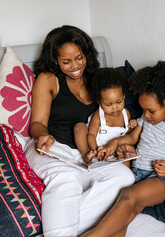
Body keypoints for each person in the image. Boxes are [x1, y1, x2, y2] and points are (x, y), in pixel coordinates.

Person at [24, 25, 135, 237]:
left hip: (85, 153)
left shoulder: (95, 80)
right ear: (55, 60)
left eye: (79, 58)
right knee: (66, 181)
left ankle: (58, 227)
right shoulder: (48, 79)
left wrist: (121, 143)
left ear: (87, 55)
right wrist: (41, 135)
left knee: (124, 177)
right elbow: (37, 122)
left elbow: (111, 116)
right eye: (66, 61)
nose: (75, 66)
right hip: (52, 147)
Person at [82, 61, 165, 237]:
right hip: (138, 172)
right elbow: (133, 137)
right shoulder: (147, 117)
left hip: (160, 179)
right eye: (144, 110)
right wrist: (116, 143)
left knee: (128, 194)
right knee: (127, 215)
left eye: (151, 110)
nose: (146, 115)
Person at [73, 68, 137, 163]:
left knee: (126, 151)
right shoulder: (98, 115)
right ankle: (86, 155)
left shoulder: (125, 113)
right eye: (108, 104)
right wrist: (96, 149)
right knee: (79, 127)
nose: (115, 107)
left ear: (124, 97)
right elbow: (91, 135)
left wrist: (132, 125)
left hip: (113, 150)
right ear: (99, 102)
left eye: (119, 102)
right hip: (95, 147)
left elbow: (125, 133)